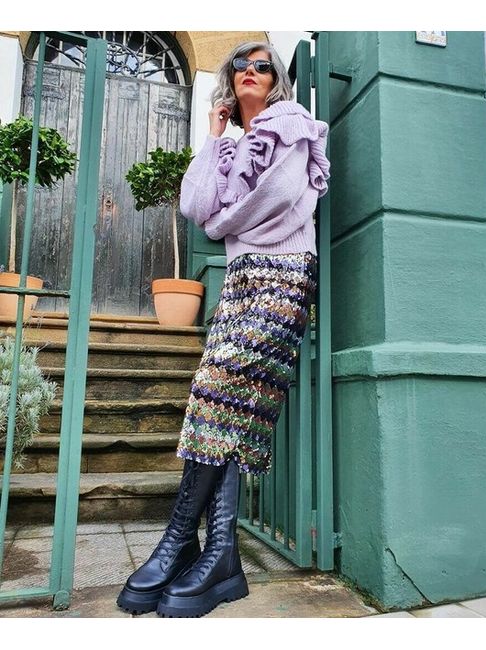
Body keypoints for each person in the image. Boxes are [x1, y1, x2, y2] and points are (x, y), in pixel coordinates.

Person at [116, 40, 330, 618]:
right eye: (242, 65)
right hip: (240, 281)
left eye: (263, 66)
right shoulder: (230, 144)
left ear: (276, 78)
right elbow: (195, 204)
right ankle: (216, 554)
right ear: (231, 78)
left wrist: (225, 218)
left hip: (284, 274)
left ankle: (181, 542)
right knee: (224, 405)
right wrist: (213, 137)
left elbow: (275, 199)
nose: (251, 72)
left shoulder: (292, 124)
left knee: (219, 396)